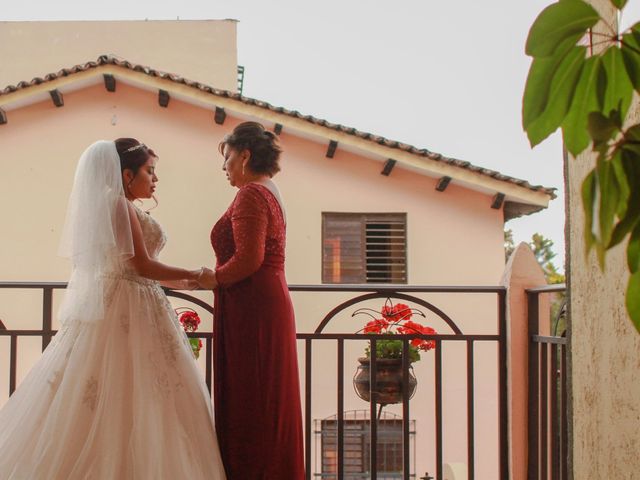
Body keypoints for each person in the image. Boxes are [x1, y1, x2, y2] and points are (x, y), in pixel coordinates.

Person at [0, 139, 226, 479]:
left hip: (135, 301)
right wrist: (196, 276)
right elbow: (140, 265)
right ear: (126, 174)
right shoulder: (119, 205)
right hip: (129, 304)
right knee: (128, 391)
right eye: (150, 171)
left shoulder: (120, 205)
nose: (155, 179)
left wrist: (191, 282)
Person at [201, 122, 305, 479]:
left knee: (253, 398)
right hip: (264, 299)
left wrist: (211, 278)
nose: (224, 167)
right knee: (266, 397)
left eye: (227, 158)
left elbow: (249, 258)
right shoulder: (269, 191)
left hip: (253, 305)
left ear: (244, 156)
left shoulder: (251, 194)